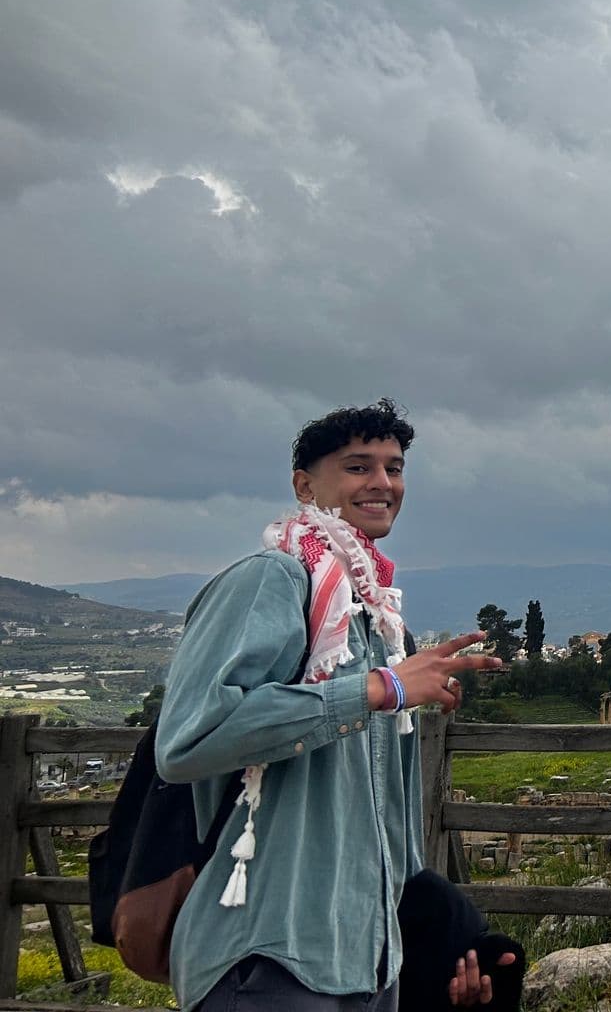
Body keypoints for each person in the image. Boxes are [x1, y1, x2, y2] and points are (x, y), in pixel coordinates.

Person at [155, 400, 506, 1011]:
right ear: (304, 485)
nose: (382, 483)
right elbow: (187, 740)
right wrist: (376, 690)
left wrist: (428, 942)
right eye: (357, 466)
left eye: (394, 468)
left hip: (369, 965)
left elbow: (393, 825)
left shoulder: (379, 618)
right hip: (269, 958)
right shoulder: (273, 580)